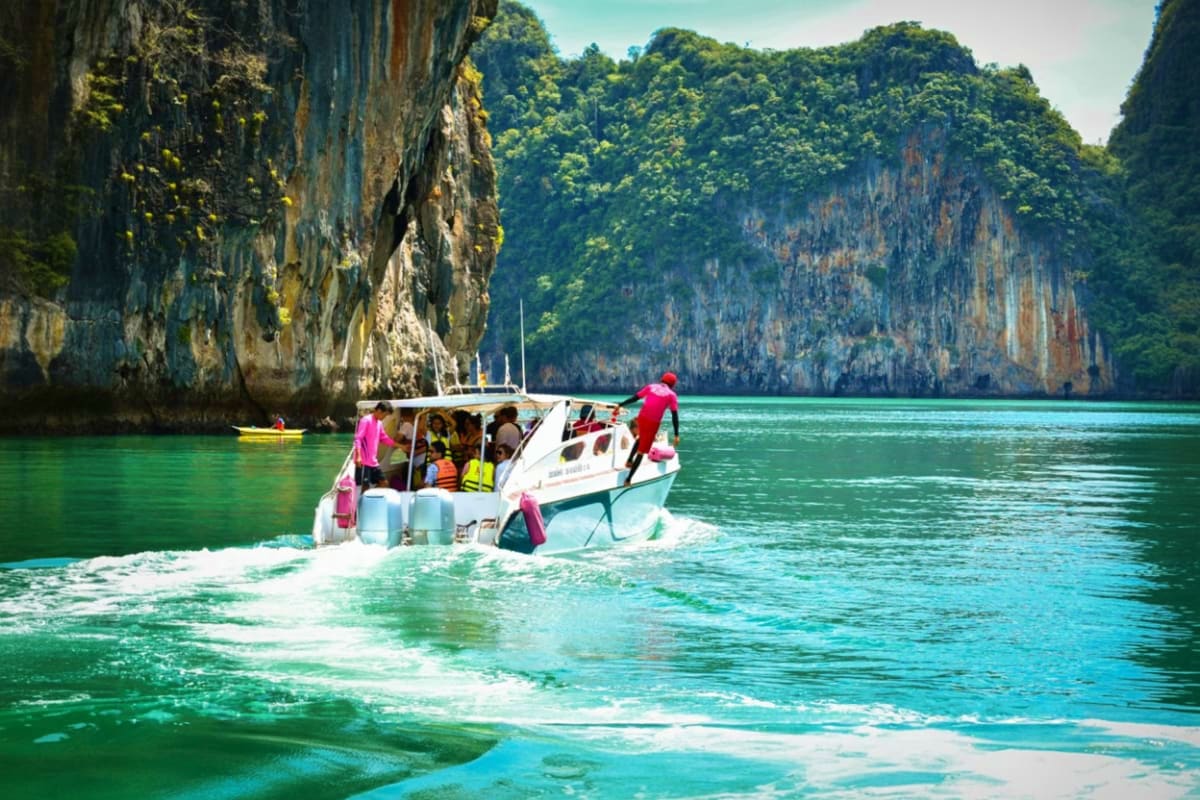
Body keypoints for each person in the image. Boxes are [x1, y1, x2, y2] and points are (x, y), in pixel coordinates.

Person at [616, 371, 680, 486]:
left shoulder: (651, 387)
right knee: (641, 452)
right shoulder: (672, 395)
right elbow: (674, 415)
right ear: (673, 385)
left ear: (662, 380)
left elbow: (635, 398)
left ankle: (629, 460)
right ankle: (628, 479)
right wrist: (676, 434)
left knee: (641, 438)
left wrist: (621, 404)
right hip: (652, 423)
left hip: (642, 417)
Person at [354, 401, 400, 490]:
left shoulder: (379, 423)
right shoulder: (365, 420)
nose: (385, 417)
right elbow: (358, 439)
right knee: (365, 486)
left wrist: (401, 446)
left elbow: (384, 438)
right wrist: (358, 456)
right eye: (385, 415)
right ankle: (365, 502)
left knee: (384, 483)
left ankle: (370, 498)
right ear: (379, 410)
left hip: (373, 462)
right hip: (364, 462)